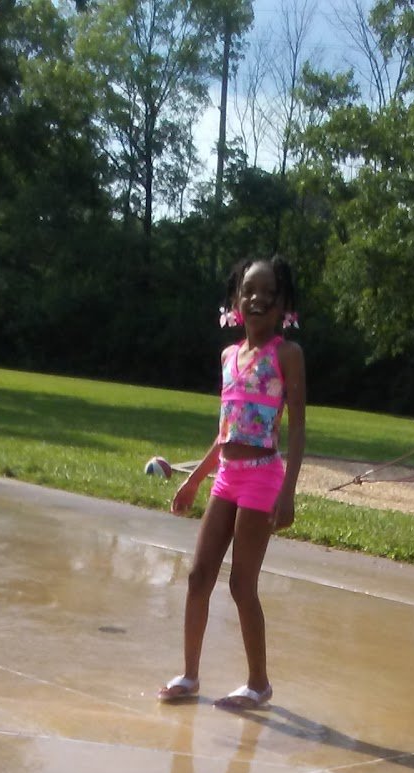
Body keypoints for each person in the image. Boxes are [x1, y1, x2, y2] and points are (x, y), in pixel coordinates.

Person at [159, 254, 306, 709]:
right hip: (227, 477)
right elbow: (225, 432)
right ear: (236, 301)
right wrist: (194, 481)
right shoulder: (228, 356)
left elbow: (298, 428)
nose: (258, 298)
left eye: (269, 293)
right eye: (249, 291)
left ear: (283, 304)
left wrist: (288, 492)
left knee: (242, 585)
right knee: (198, 576)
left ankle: (258, 683)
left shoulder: (287, 355)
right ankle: (189, 675)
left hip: (262, 478)